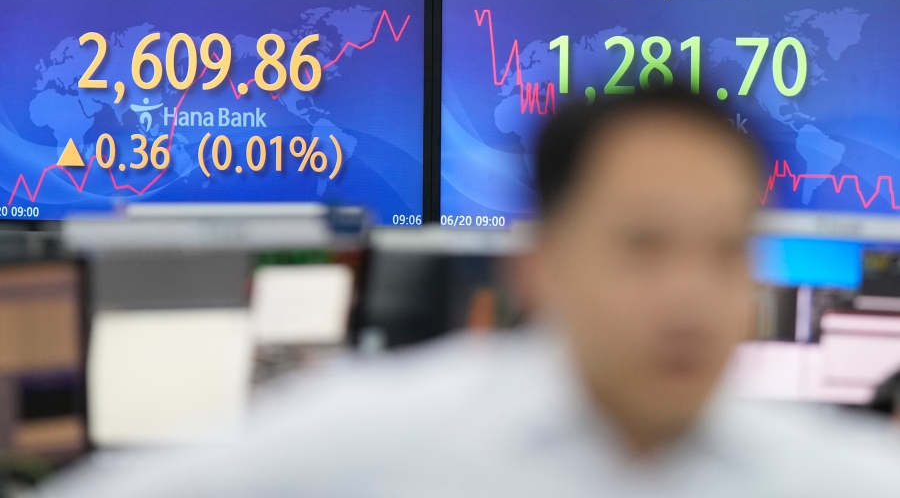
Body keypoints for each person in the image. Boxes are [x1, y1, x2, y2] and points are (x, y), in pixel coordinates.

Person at [41, 89, 900, 497]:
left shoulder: (839, 479)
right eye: (643, 245)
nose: (689, 295)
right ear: (542, 263)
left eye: (723, 251)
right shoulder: (373, 441)